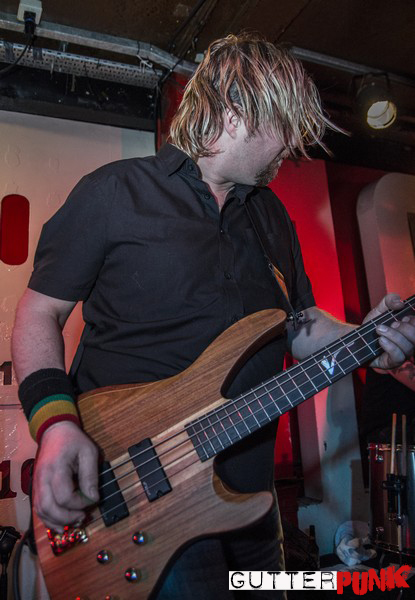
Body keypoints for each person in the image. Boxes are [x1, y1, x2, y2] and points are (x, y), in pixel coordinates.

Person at [11, 33, 415, 599]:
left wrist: (369, 338)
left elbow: (298, 327)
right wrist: (55, 424)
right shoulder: (115, 193)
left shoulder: (270, 216)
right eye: (284, 124)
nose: (293, 145)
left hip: (252, 505)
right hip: (144, 496)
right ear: (233, 112)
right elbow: (39, 313)